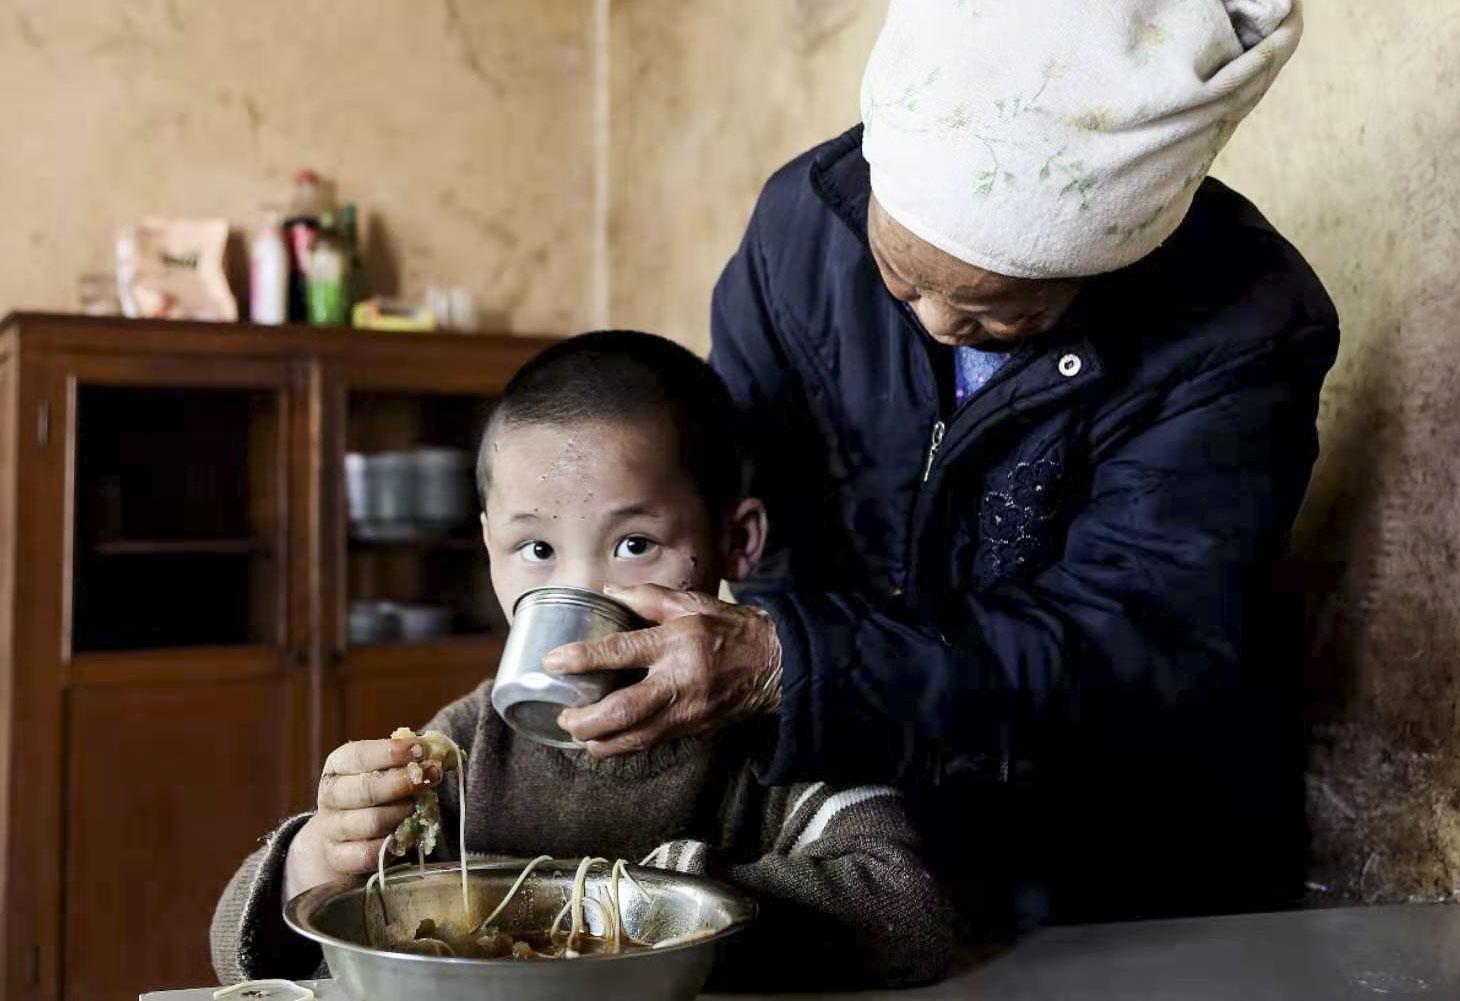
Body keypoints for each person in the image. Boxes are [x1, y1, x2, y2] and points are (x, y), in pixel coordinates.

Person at [544, 0, 1338, 926]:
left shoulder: (1242, 326)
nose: (929, 320)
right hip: (856, 826)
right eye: (901, 274)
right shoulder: (802, 231)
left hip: (1110, 851)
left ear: (1113, 250)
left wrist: (789, 664)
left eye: (999, 313)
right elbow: (735, 500)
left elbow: (1136, 643)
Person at [209, 332, 951, 989]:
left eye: (634, 544)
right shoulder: (464, 748)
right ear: (488, 545)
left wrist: (662, 899)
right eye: (535, 549)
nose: (579, 588)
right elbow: (241, 953)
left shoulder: (775, 731)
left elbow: (913, 915)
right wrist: (318, 857)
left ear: (737, 541)